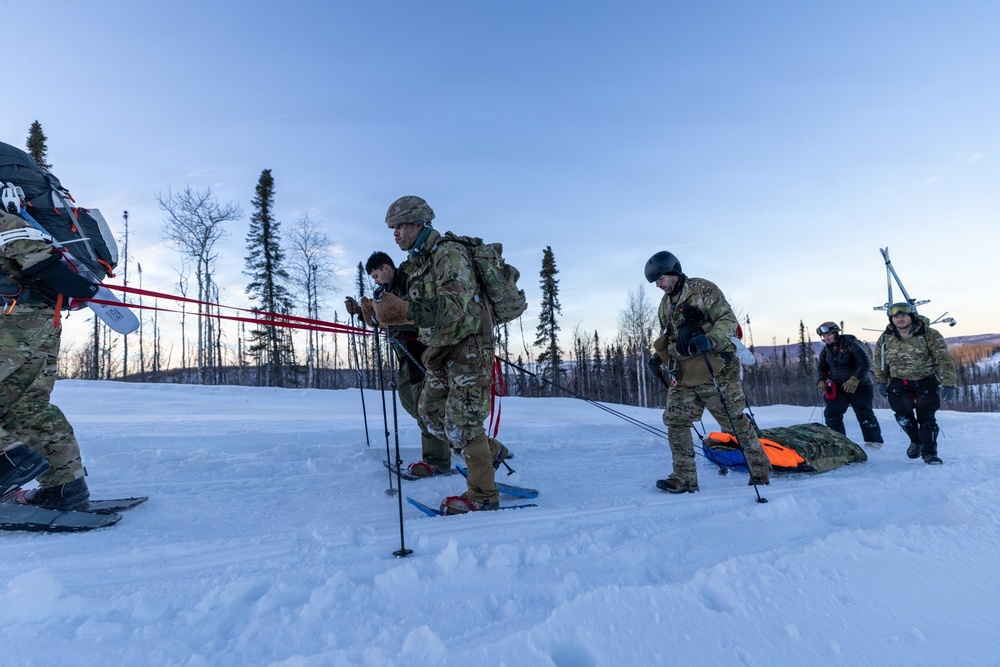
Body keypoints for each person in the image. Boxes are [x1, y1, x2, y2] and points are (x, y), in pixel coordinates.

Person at [370, 196, 510, 514]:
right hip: (441, 350)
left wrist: (404, 309)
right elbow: (419, 310)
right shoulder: (418, 263)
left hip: (469, 347)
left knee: (463, 422)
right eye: (393, 228)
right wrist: (384, 313)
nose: (395, 234)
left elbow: (455, 306)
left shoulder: (449, 252)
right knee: (432, 416)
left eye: (400, 226)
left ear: (419, 223)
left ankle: (483, 494)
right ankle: (492, 452)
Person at [645, 250, 771, 493]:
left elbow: (728, 320)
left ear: (673, 272)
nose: (659, 285)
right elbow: (669, 336)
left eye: (660, 279)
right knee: (675, 420)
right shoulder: (664, 305)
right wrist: (657, 359)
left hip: (716, 369)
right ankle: (684, 478)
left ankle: (759, 469)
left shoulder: (703, 289)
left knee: (735, 423)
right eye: (656, 282)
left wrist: (710, 339)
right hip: (684, 373)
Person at [0, 204, 99, 510]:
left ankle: (6, 463)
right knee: (26, 405)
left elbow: (16, 238)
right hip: (39, 316)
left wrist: (49, 269)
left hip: (11, 317)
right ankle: (64, 488)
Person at [344, 251, 453, 477]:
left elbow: (413, 315)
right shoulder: (387, 291)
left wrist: (387, 317)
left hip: (421, 353)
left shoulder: (409, 280)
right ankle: (449, 437)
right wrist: (359, 311)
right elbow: (381, 319)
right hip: (404, 357)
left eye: (376, 275)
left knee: (426, 409)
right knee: (410, 404)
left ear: (386, 268)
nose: (375, 280)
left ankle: (437, 460)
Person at [874, 302, 957, 465]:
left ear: (911, 315)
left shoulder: (929, 334)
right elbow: (879, 361)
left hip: (925, 381)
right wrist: (881, 381)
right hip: (899, 381)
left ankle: (929, 453)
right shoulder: (885, 338)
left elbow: (944, 360)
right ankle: (916, 440)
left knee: (927, 418)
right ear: (891, 319)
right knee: (902, 416)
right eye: (896, 316)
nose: (900, 319)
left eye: (903, 315)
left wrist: (949, 384)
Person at [815, 321, 884, 449]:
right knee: (832, 413)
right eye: (824, 336)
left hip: (860, 386)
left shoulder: (851, 345)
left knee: (864, 413)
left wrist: (854, 379)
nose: (827, 338)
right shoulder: (826, 351)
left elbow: (865, 364)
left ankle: (874, 443)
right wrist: (821, 380)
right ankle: (839, 443)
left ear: (836, 333)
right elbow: (822, 368)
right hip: (838, 387)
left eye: (829, 334)